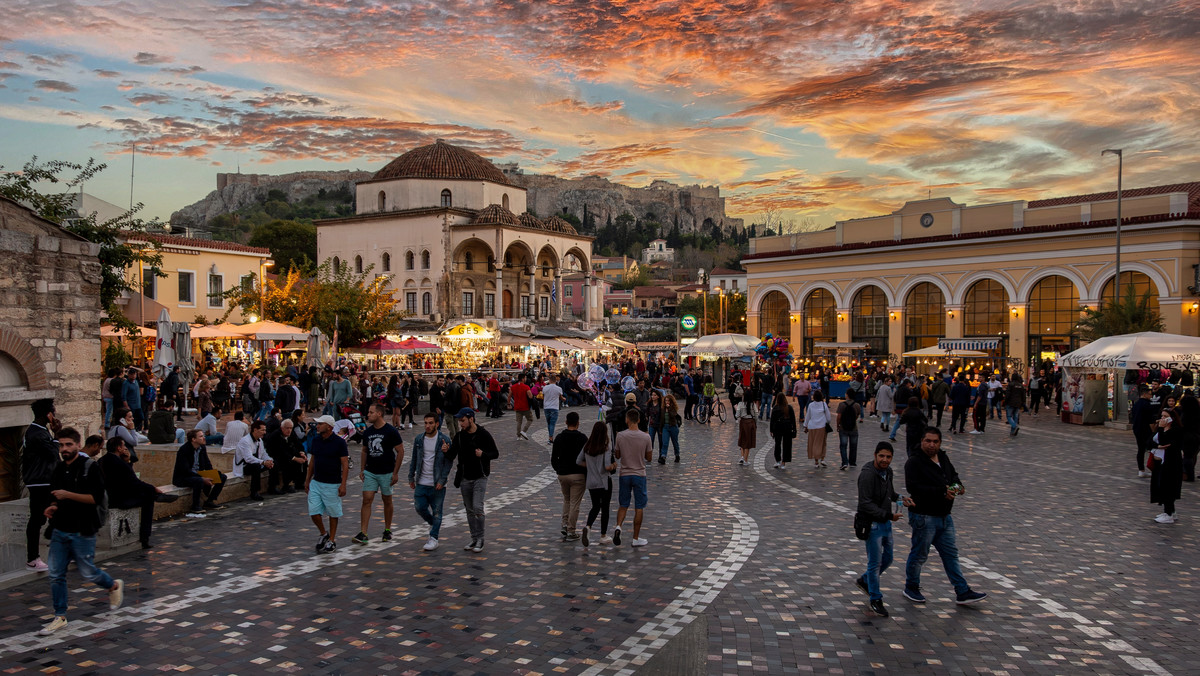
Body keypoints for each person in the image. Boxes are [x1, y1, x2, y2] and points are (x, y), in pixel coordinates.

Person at [37, 427, 123, 636]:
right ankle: (60, 616)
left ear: (77, 445)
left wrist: (68, 494)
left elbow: (94, 498)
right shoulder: (58, 468)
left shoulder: (89, 467)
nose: (64, 449)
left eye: (68, 444)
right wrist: (53, 505)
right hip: (60, 529)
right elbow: (55, 494)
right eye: (61, 445)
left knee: (87, 572)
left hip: (82, 530)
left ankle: (113, 585)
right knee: (56, 574)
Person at [903, 427, 987, 605]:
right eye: (928, 441)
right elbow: (914, 488)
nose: (932, 445)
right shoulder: (914, 462)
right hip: (924, 517)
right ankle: (911, 586)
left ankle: (962, 591)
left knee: (951, 554)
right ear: (922, 441)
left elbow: (953, 476)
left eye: (935, 441)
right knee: (919, 554)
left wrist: (958, 487)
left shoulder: (943, 457)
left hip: (944, 516)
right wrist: (942, 492)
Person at [855, 442, 912, 617]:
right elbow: (865, 503)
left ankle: (865, 581)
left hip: (886, 523)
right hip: (872, 524)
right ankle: (875, 598)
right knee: (875, 562)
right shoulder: (867, 475)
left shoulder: (888, 472)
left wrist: (901, 498)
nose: (884, 460)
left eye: (888, 457)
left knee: (888, 558)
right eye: (881, 456)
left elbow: (890, 494)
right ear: (875, 455)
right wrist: (888, 515)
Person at [100, 437, 177, 549]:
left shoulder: (101, 460)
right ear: (119, 448)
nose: (126, 448)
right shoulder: (119, 463)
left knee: (146, 493)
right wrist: (153, 488)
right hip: (119, 500)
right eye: (124, 446)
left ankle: (156, 496)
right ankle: (145, 537)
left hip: (110, 496)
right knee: (148, 499)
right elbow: (134, 481)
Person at [352, 403, 406, 546]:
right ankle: (363, 532)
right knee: (367, 499)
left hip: (387, 471)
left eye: (371, 412)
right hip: (371, 471)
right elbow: (364, 450)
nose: (367, 415)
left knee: (387, 500)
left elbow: (400, 451)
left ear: (379, 414)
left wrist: (396, 472)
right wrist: (362, 469)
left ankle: (387, 529)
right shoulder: (368, 432)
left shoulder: (391, 431)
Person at [449, 408, 498, 552]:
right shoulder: (459, 436)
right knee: (469, 510)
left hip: (480, 476)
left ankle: (481, 539)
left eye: (463, 420)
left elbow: (495, 453)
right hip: (465, 477)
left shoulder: (483, 434)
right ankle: (474, 538)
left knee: (477, 507)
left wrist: (483, 454)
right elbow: (452, 454)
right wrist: (446, 450)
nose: (460, 424)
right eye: (459, 421)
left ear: (471, 419)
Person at [22, 399, 60, 571]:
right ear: (48, 414)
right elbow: (52, 453)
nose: (55, 414)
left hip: (46, 480)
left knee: (56, 513)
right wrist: (57, 434)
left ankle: (62, 548)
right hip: (40, 482)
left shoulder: (42, 431)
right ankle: (33, 558)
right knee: (36, 519)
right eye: (53, 411)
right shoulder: (36, 433)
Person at [409, 411, 454, 552]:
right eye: (425, 423)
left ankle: (433, 537)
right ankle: (433, 524)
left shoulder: (444, 440)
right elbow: (414, 459)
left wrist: (442, 479)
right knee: (419, 507)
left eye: (430, 423)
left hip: (437, 482)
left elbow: (449, 462)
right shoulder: (419, 439)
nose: (427, 426)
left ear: (437, 424)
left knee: (437, 511)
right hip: (422, 481)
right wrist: (411, 476)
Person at [306, 415, 349, 553]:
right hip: (317, 482)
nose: (317, 426)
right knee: (313, 511)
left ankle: (332, 539)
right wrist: (307, 480)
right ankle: (323, 533)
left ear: (329, 427)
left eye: (320, 424)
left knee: (333, 512)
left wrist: (343, 484)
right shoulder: (316, 440)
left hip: (332, 483)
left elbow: (345, 464)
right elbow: (312, 461)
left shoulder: (339, 443)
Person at [612, 408, 652, 547]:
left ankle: (618, 526)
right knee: (639, 506)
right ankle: (635, 538)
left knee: (623, 504)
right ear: (639, 420)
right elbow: (649, 458)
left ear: (627, 420)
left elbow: (617, 455)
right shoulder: (646, 437)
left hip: (625, 474)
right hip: (639, 474)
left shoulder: (620, 436)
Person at [577, 421, 616, 547]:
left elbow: (578, 461)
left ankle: (588, 526)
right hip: (603, 482)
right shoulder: (605, 448)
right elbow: (606, 467)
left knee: (595, 506)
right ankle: (603, 535)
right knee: (605, 508)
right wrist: (614, 465)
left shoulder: (587, 446)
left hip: (591, 481)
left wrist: (589, 465)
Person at [173, 429, 226, 518]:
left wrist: (212, 474)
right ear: (193, 439)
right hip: (184, 477)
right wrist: (202, 478)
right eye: (201, 436)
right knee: (198, 481)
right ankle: (195, 505)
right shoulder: (184, 450)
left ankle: (210, 501)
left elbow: (207, 463)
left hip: (198, 474)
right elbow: (185, 470)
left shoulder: (202, 448)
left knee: (222, 477)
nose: (203, 438)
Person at [552, 411, 588, 541]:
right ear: (578, 423)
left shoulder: (559, 437)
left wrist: (558, 469)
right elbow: (588, 458)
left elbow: (553, 458)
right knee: (575, 503)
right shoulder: (583, 438)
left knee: (567, 500)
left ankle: (565, 524)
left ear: (566, 422)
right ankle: (571, 530)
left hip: (563, 474)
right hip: (578, 475)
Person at [1149, 407, 1184, 523]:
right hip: (1160, 463)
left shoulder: (1175, 430)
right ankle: (1169, 511)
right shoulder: (1161, 429)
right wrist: (1156, 445)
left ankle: (1169, 514)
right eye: (1162, 416)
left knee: (1169, 488)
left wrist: (1162, 429)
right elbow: (1151, 441)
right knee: (1163, 487)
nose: (1162, 419)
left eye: (1165, 416)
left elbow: (1165, 442)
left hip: (1171, 463)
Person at [233, 420, 273, 501]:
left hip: (255, 463)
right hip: (244, 466)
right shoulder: (245, 441)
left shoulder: (259, 440)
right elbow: (248, 458)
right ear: (255, 430)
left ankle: (272, 487)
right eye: (262, 430)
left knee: (274, 463)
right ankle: (254, 492)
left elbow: (263, 454)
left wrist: (269, 460)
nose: (264, 432)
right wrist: (263, 462)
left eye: (265, 430)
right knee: (256, 467)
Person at [266, 419, 307, 493]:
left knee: (303, 459)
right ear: (282, 428)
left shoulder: (291, 433)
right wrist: (294, 458)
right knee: (286, 462)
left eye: (291, 428)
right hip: (276, 455)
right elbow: (281, 451)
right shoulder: (276, 435)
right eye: (287, 428)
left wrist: (301, 452)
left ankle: (299, 482)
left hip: (288, 453)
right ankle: (282, 486)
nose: (289, 430)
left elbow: (298, 443)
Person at [1130, 385, 1155, 479]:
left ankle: (1141, 470)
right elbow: (1150, 421)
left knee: (1141, 450)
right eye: (1150, 394)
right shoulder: (1147, 405)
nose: (1151, 396)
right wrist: (1154, 432)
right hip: (1146, 430)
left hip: (1137, 429)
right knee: (1153, 449)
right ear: (1144, 394)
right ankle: (1154, 469)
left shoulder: (1136, 404)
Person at [804, 390, 832, 469]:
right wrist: (827, 422)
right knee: (822, 443)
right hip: (821, 426)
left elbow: (808, 416)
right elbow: (828, 417)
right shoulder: (824, 405)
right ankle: (822, 458)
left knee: (813, 444)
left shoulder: (811, 405)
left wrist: (805, 425)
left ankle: (816, 461)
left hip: (812, 426)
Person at [768, 395, 796, 469]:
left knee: (777, 444)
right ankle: (784, 462)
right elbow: (793, 420)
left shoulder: (775, 408)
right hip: (787, 428)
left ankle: (778, 460)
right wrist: (794, 430)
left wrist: (771, 430)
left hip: (778, 428)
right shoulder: (789, 407)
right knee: (786, 445)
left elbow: (772, 420)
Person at [836, 394, 861, 470]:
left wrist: (838, 425)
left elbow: (839, 416)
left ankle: (844, 462)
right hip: (853, 428)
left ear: (847, 395)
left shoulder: (841, 404)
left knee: (843, 445)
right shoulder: (857, 405)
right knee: (853, 446)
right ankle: (852, 462)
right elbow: (857, 415)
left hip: (843, 428)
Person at [511, 374, 534, 440]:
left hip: (517, 406)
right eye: (525, 378)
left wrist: (509, 403)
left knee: (519, 422)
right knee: (530, 419)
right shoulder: (526, 387)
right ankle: (524, 431)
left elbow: (509, 395)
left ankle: (518, 436)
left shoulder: (513, 386)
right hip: (525, 406)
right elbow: (530, 396)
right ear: (523, 379)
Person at [660, 394, 681, 463]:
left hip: (673, 427)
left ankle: (677, 455)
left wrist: (669, 408)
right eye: (666, 400)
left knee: (675, 443)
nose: (667, 402)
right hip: (665, 427)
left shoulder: (673, 408)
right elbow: (661, 420)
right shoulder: (662, 409)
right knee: (665, 443)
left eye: (668, 400)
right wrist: (660, 429)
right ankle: (663, 456)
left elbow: (673, 415)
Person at [543, 374, 563, 443]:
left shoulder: (545, 388)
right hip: (554, 407)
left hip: (546, 407)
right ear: (555, 380)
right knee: (552, 423)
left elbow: (543, 395)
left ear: (549, 380)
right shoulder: (559, 388)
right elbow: (561, 397)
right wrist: (564, 399)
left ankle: (550, 436)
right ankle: (550, 437)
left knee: (549, 423)